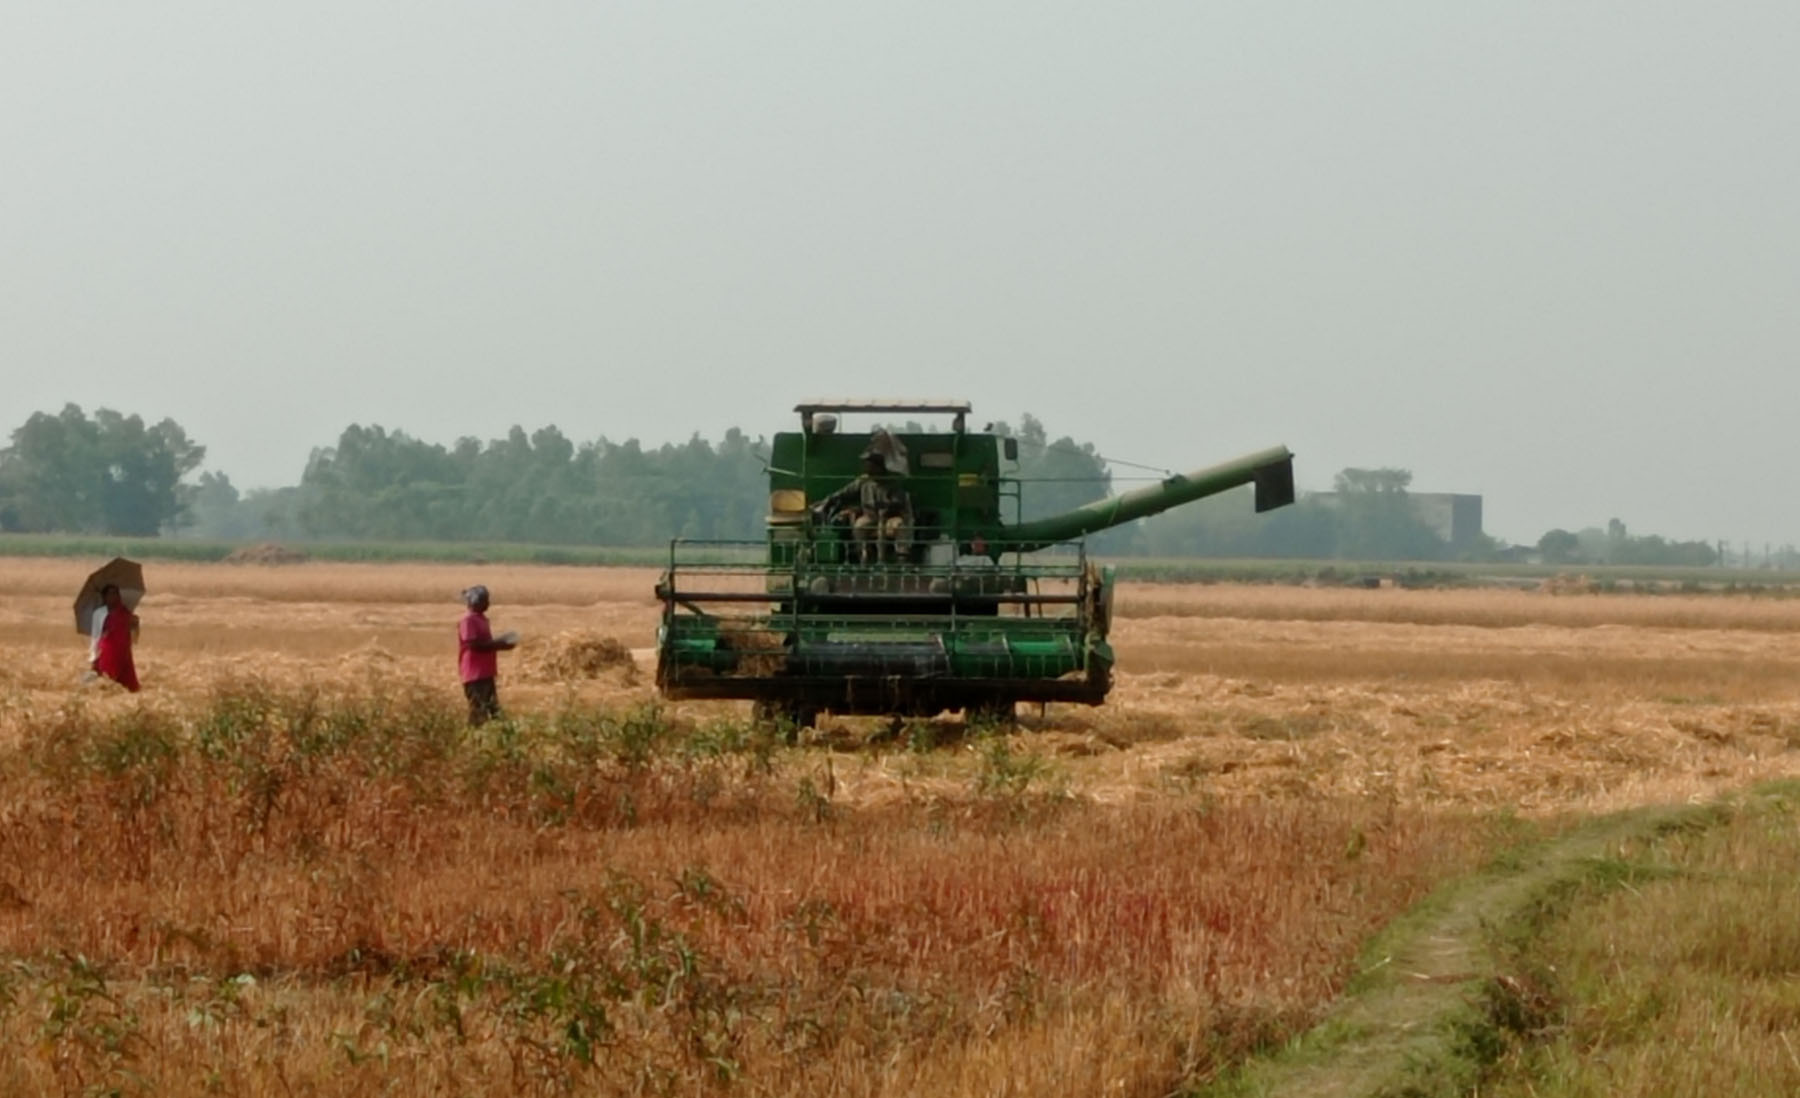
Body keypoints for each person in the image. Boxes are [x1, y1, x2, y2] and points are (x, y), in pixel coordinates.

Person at [812, 448, 913, 563]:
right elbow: (845, 492)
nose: (867, 468)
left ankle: (902, 557)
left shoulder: (891, 482)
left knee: (900, 526)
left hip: (890, 517)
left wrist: (886, 506)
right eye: (866, 465)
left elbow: (898, 501)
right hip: (870, 516)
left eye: (870, 465)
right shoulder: (863, 481)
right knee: (859, 526)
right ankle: (864, 555)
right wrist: (828, 500)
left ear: (879, 467)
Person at [457, 585, 517, 726]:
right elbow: (473, 644)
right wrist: (499, 644)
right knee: (479, 711)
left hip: (485, 672)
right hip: (474, 673)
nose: (488, 604)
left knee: (492, 709)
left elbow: (484, 643)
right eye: (485, 600)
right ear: (475, 602)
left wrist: (499, 643)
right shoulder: (468, 620)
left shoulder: (481, 619)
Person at [89, 583, 140, 692]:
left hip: (123, 651)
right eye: (110, 594)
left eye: (115, 593)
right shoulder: (99, 614)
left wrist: (135, 623)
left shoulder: (124, 612)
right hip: (107, 649)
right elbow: (95, 636)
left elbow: (134, 634)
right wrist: (93, 657)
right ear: (104, 596)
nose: (113, 596)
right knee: (107, 676)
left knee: (126, 681)